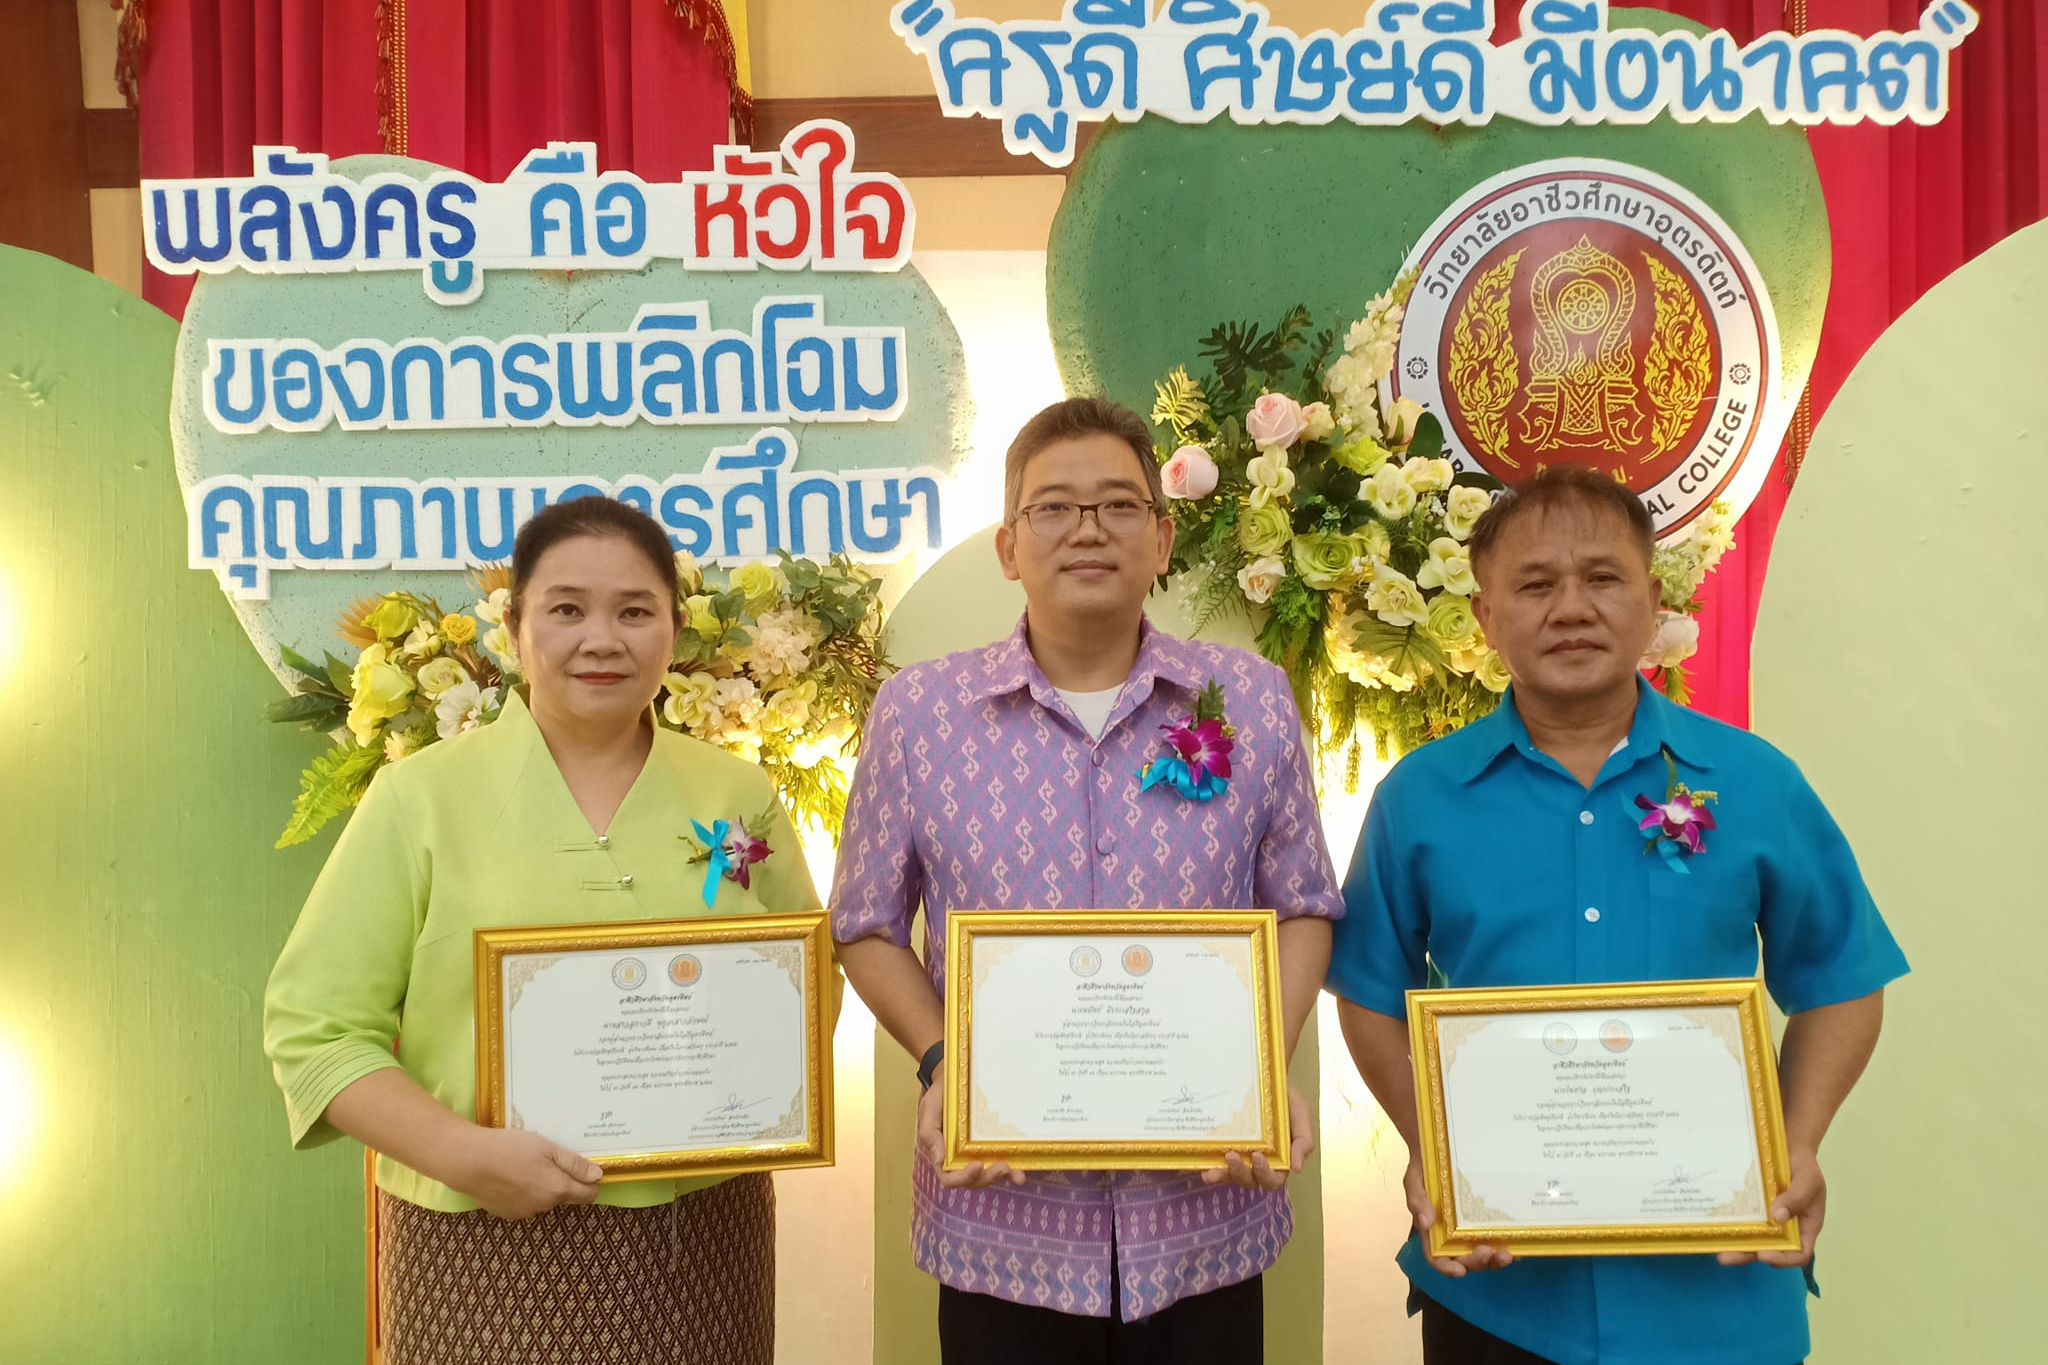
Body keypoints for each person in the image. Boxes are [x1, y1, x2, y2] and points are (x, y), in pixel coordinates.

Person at [1327, 467, 1908, 1365]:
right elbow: (1367, 989)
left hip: (1719, 1291)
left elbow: (1840, 981)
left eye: (1602, 578)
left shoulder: (1755, 782)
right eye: (1535, 584)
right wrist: (1435, 1150)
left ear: (1652, 601)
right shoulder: (1421, 798)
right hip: (1500, 1291)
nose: (1571, 608)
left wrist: (1796, 1142)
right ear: (1484, 618)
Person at [832, 396, 1344, 1363]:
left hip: (1204, 1214)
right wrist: (945, 1062)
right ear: (1008, 544)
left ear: (1161, 537)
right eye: (1054, 508)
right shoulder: (917, 713)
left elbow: (1305, 907)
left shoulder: (1252, 700)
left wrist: (1260, 1069)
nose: (1087, 530)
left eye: (1118, 506)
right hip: (1004, 1223)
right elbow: (862, 923)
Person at [263, 497, 818, 1365]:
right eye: (566, 609)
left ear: (675, 628)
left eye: (635, 610)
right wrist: (463, 1151)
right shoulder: (420, 798)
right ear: (514, 627)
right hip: (478, 1235)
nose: (602, 638)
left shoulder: (736, 796)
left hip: (706, 1237)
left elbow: (802, 994)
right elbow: (316, 1031)